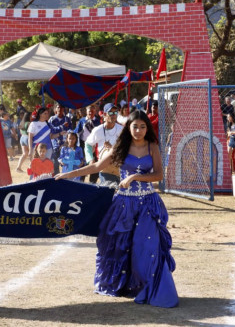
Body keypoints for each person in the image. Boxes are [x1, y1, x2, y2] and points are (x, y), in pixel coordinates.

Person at [55, 110, 178, 308]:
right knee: (120, 245)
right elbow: (96, 167)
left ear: (147, 128)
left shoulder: (152, 146)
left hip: (148, 203)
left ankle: (149, 287)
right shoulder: (121, 147)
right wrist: (67, 175)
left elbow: (158, 175)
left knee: (146, 246)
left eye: (142, 126)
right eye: (135, 126)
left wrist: (134, 177)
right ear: (128, 128)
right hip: (124, 204)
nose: (138, 130)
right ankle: (123, 285)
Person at [85, 103, 123, 184]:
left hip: (120, 168)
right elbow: (88, 144)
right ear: (105, 115)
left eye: (115, 112)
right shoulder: (97, 130)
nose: (113, 115)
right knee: (109, 192)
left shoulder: (121, 129)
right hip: (105, 169)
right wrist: (90, 160)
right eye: (111, 113)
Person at [74, 104, 101, 183]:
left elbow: (100, 132)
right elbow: (76, 131)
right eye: (89, 111)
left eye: (92, 111)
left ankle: (92, 182)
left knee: (95, 163)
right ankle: (81, 181)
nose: (90, 113)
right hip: (83, 144)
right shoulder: (82, 120)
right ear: (86, 111)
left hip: (95, 145)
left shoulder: (97, 121)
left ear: (95, 111)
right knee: (83, 163)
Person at [48, 103, 71, 174]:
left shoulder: (67, 119)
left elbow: (70, 130)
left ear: (64, 109)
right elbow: (51, 130)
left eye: (61, 108)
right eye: (58, 107)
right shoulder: (52, 119)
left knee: (66, 164)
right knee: (55, 164)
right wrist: (62, 127)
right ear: (55, 109)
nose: (60, 109)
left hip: (65, 145)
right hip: (55, 145)